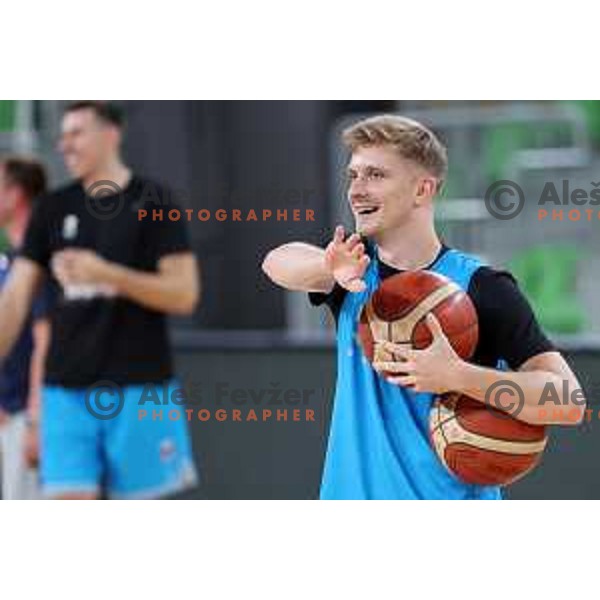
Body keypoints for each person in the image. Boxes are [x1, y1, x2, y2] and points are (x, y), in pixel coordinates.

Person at [262, 114, 585, 500]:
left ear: (422, 190)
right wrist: (326, 267)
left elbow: (567, 400)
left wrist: (460, 376)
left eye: (376, 175)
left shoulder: (483, 286)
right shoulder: (353, 269)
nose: (356, 190)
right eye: (353, 175)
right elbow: (277, 261)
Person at [0, 101, 200, 499]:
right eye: (62, 136)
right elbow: (16, 298)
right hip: (65, 394)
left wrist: (107, 274)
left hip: (141, 389)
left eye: (77, 133)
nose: (65, 145)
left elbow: (184, 294)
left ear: (111, 134)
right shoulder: (51, 209)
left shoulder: (154, 200)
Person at [0, 157, 50, 499]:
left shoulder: (43, 260)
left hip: (29, 421)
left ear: (15, 194)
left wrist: (35, 420)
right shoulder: (10, 263)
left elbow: (45, 341)